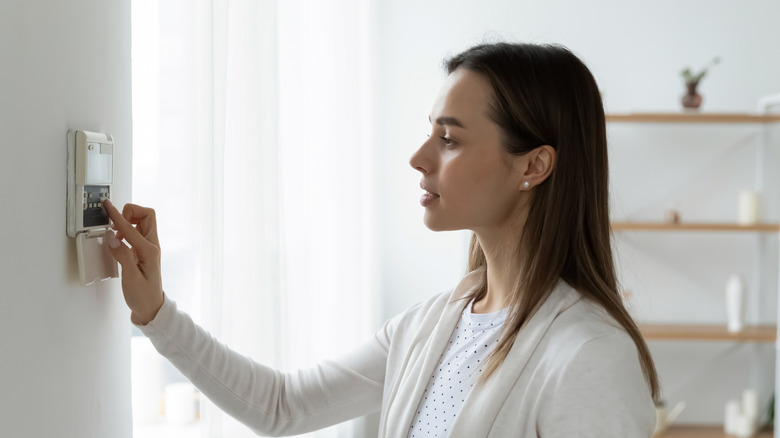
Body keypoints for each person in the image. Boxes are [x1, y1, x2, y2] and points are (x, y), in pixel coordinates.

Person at [103, 42, 659, 437]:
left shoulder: (589, 355)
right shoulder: (428, 328)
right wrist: (155, 311)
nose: (419, 158)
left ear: (533, 165)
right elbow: (281, 407)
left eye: (449, 138)